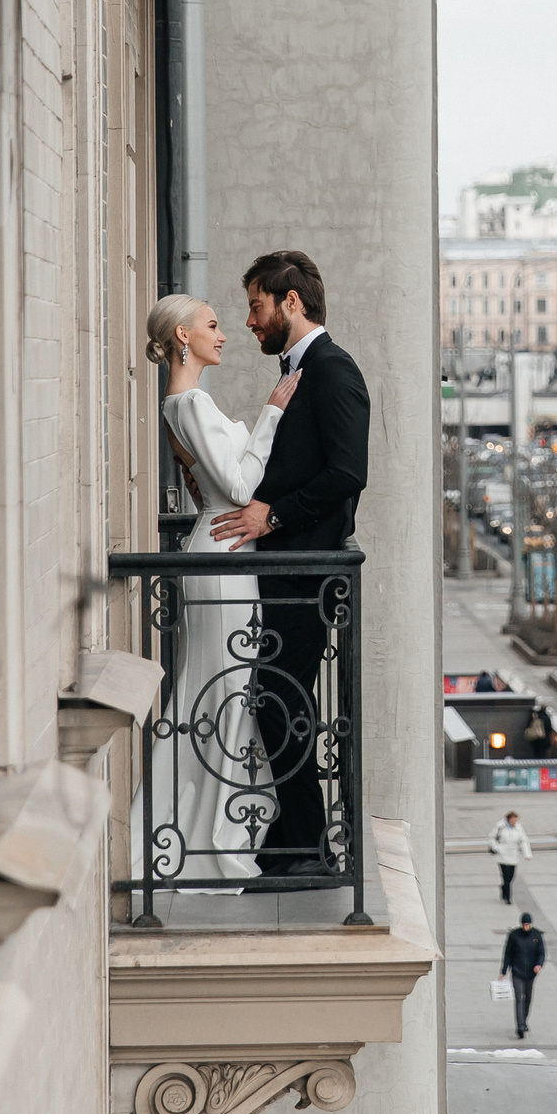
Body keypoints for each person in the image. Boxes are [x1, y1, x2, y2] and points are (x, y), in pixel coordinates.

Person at [209, 252, 370, 881]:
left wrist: (269, 517)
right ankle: (291, 839)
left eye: (256, 305)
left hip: (307, 573)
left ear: (291, 303)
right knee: (277, 699)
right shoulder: (305, 370)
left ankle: (303, 845)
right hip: (288, 570)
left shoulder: (333, 371)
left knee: (283, 701)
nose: (250, 321)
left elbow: (347, 474)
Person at [149, 294, 301, 884]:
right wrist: (271, 412)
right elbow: (239, 490)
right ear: (183, 337)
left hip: (224, 553)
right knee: (223, 688)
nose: (225, 334)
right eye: (212, 326)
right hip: (223, 556)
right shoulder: (188, 403)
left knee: (227, 686)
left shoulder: (187, 403)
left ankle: (218, 822)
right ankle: (207, 832)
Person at [500, 911, 545, 1041]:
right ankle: (520, 1025)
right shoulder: (514, 936)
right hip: (517, 971)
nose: (526, 927)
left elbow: (541, 953)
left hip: (531, 973)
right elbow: (507, 953)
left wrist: (539, 965)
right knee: (519, 998)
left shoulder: (536, 935)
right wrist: (504, 970)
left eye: (528, 925)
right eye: (524, 925)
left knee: (528, 998)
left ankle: (524, 1021)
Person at [490, 811, 532, 904]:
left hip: (513, 855)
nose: (514, 822)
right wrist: (496, 848)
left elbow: (523, 841)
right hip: (502, 855)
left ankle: (504, 888)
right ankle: (508, 898)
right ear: (508, 819)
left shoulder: (518, 828)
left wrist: (527, 854)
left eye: (516, 820)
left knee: (512, 877)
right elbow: (492, 837)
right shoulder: (500, 826)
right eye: (513, 820)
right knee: (505, 876)